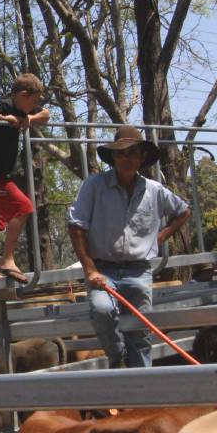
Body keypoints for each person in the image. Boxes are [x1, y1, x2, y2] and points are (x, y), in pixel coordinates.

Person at [68, 125, 191, 368]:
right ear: (113, 157)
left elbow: (183, 211)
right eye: (121, 153)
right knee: (102, 310)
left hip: (138, 270)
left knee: (140, 332)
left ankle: (141, 388)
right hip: (103, 270)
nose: (127, 158)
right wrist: (90, 269)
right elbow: (76, 225)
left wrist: (162, 236)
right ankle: (117, 357)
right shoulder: (95, 185)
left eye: (132, 153)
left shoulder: (153, 190)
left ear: (142, 157)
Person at [0, 73, 50, 281]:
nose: (35, 105)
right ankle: (7, 260)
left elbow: (47, 115)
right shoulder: (6, 105)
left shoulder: (24, 110)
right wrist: (4, 118)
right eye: (33, 101)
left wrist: (28, 119)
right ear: (23, 95)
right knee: (24, 207)